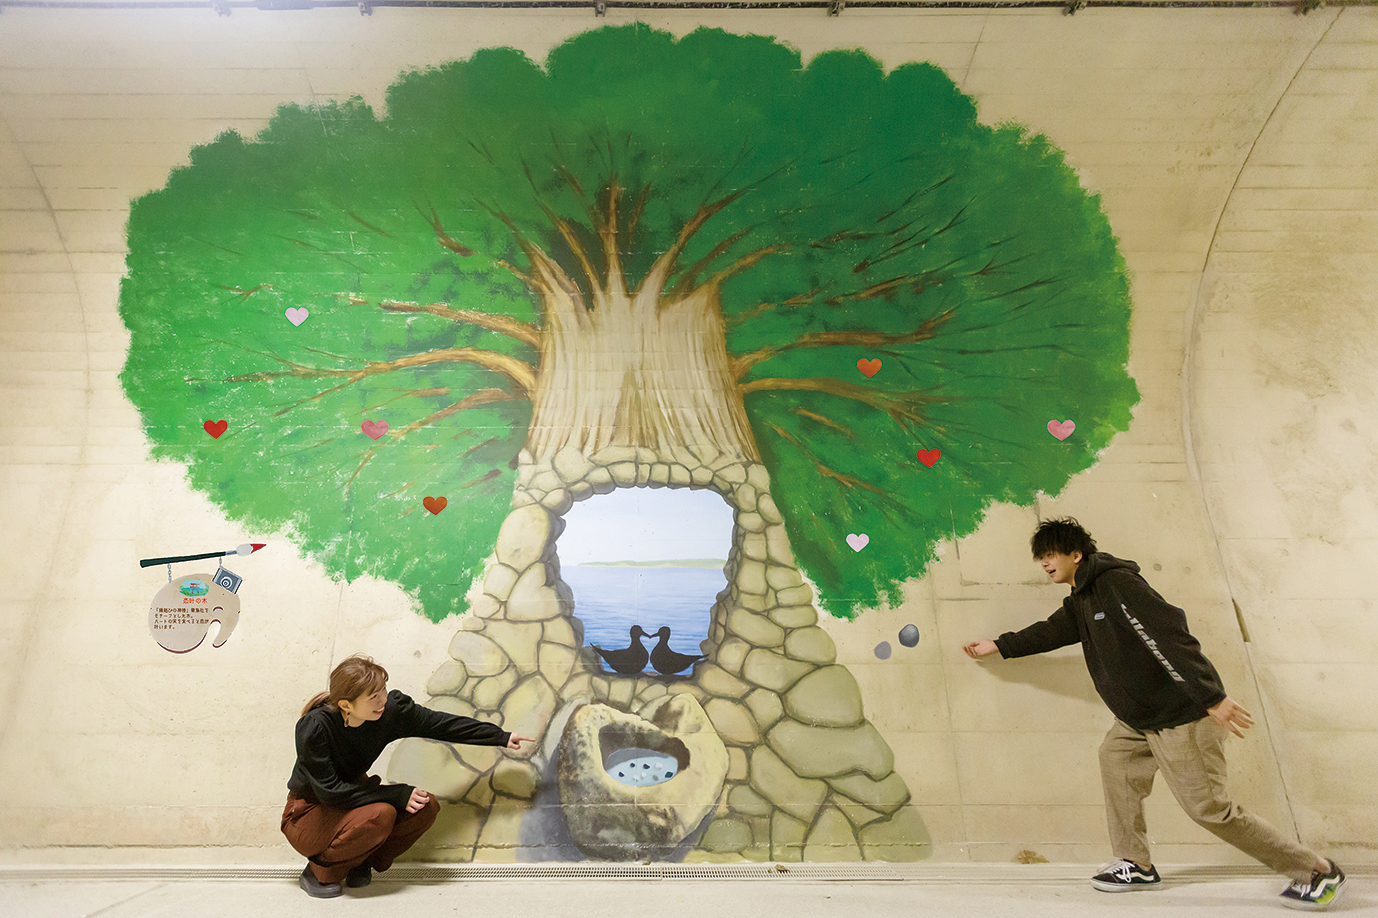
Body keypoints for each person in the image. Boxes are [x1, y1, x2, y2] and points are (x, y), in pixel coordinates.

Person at [963, 517, 1344, 911]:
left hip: (1181, 716)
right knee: (1115, 760)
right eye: (1040, 557)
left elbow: (1168, 633)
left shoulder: (1116, 585)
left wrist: (1211, 697)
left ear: (1076, 554)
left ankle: (1316, 871)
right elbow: (1052, 630)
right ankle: (1135, 863)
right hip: (1138, 719)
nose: (1044, 564)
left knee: (1210, 811)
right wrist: (999, 645)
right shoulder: (1083, 597)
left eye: (1050, 555)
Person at [282, 654, 533, 898]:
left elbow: (441, 724)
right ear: (347, 704)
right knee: (381, 814)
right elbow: (331, 793)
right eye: (373, 697)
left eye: (383, 690)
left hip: (353, 801)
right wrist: (397, 794)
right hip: (309, 810)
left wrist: (500, 736)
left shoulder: (389, 712)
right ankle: (318, 872)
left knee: (425, 807)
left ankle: (359, 861)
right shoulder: (316, 727)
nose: (382, 700)